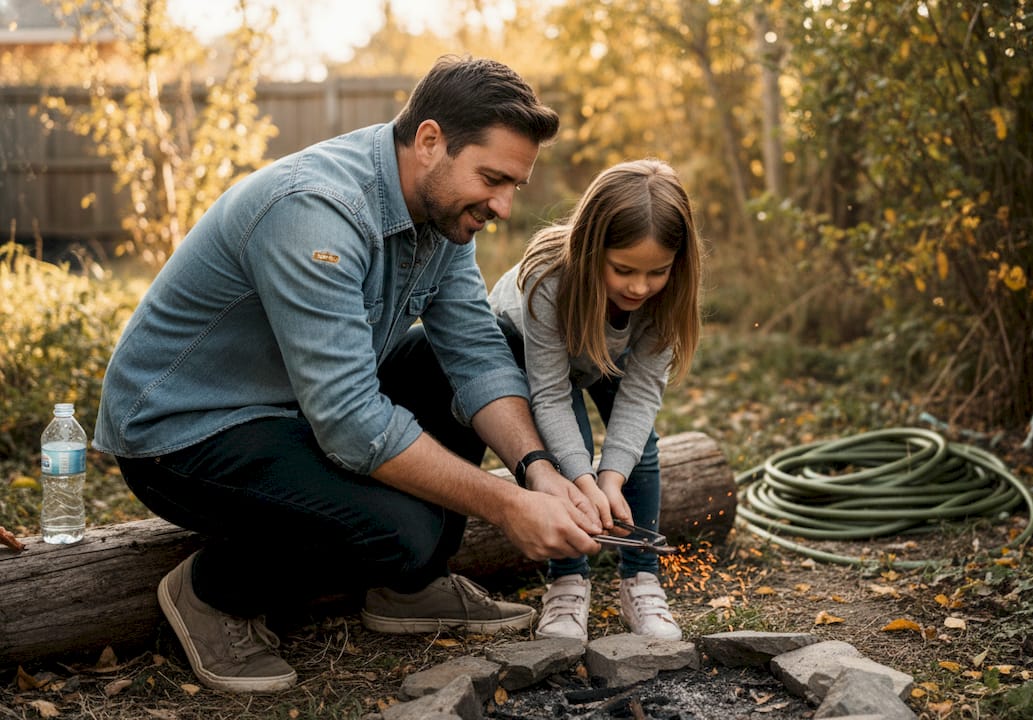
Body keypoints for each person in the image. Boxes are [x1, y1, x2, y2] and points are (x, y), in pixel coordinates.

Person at [91, 55, 606, 694]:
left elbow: (474, 353)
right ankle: (210, 593)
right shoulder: (316, 211)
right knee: (402, 530)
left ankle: (406, 589)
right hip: (184, 432)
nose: (502, 205)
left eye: (514, 187)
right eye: (492, 179)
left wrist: (538, 469)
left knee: (488, 342)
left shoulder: (444, 215)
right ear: (429, 141)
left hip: (295, 412)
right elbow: (352, 422)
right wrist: (508, 505)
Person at [487, 158, 704, 641]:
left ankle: (641, 577)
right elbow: (549, 394)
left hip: (607, 350)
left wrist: (612, 478)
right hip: (532, 350)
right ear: (590, 250)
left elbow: (642, 392)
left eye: (657, 272)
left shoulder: (663, 299)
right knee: (570, 455)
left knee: (639, 450)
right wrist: (585, 477)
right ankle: (566, 581)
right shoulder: (546, 280)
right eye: (623, 269)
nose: (639, 287)